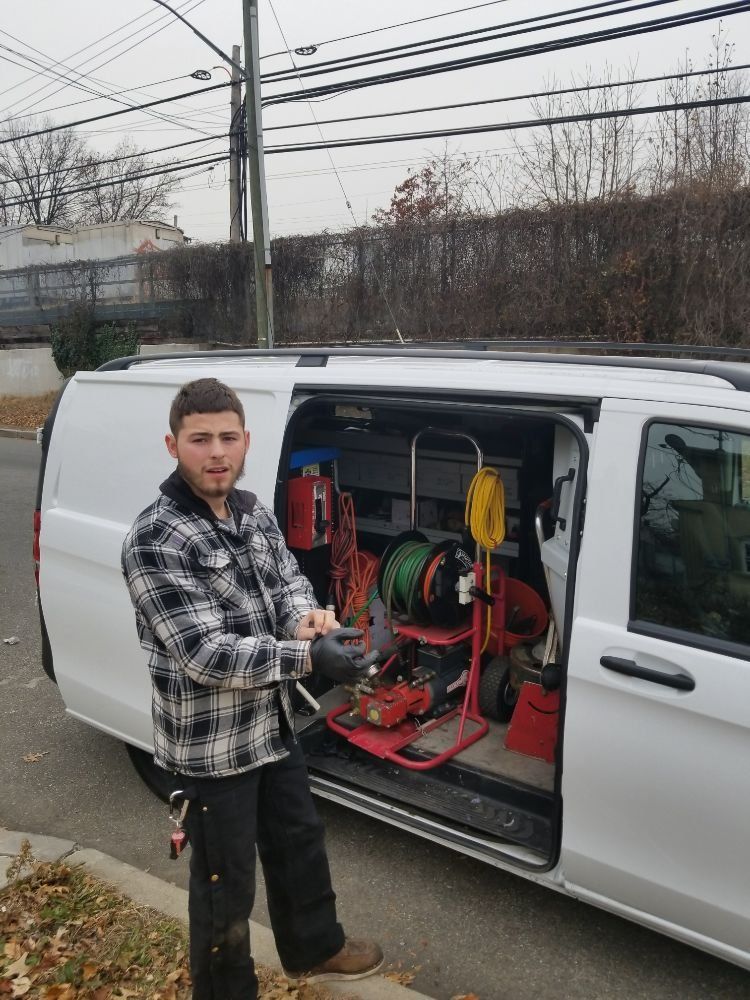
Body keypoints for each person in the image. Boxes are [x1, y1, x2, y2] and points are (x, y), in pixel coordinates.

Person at [121, 377, 383, 1000]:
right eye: (200, 439)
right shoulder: (156, 539)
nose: (216, 452)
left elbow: (288, 581)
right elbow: (203, 654)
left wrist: (310, 617)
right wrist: (307, 656)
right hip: (213, 749)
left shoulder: (250, 510)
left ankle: (316, 948)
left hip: (272, 725)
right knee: (224, 886)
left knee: (299, 842)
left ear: (246, 442)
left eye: (228, 438)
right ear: (173, 445)